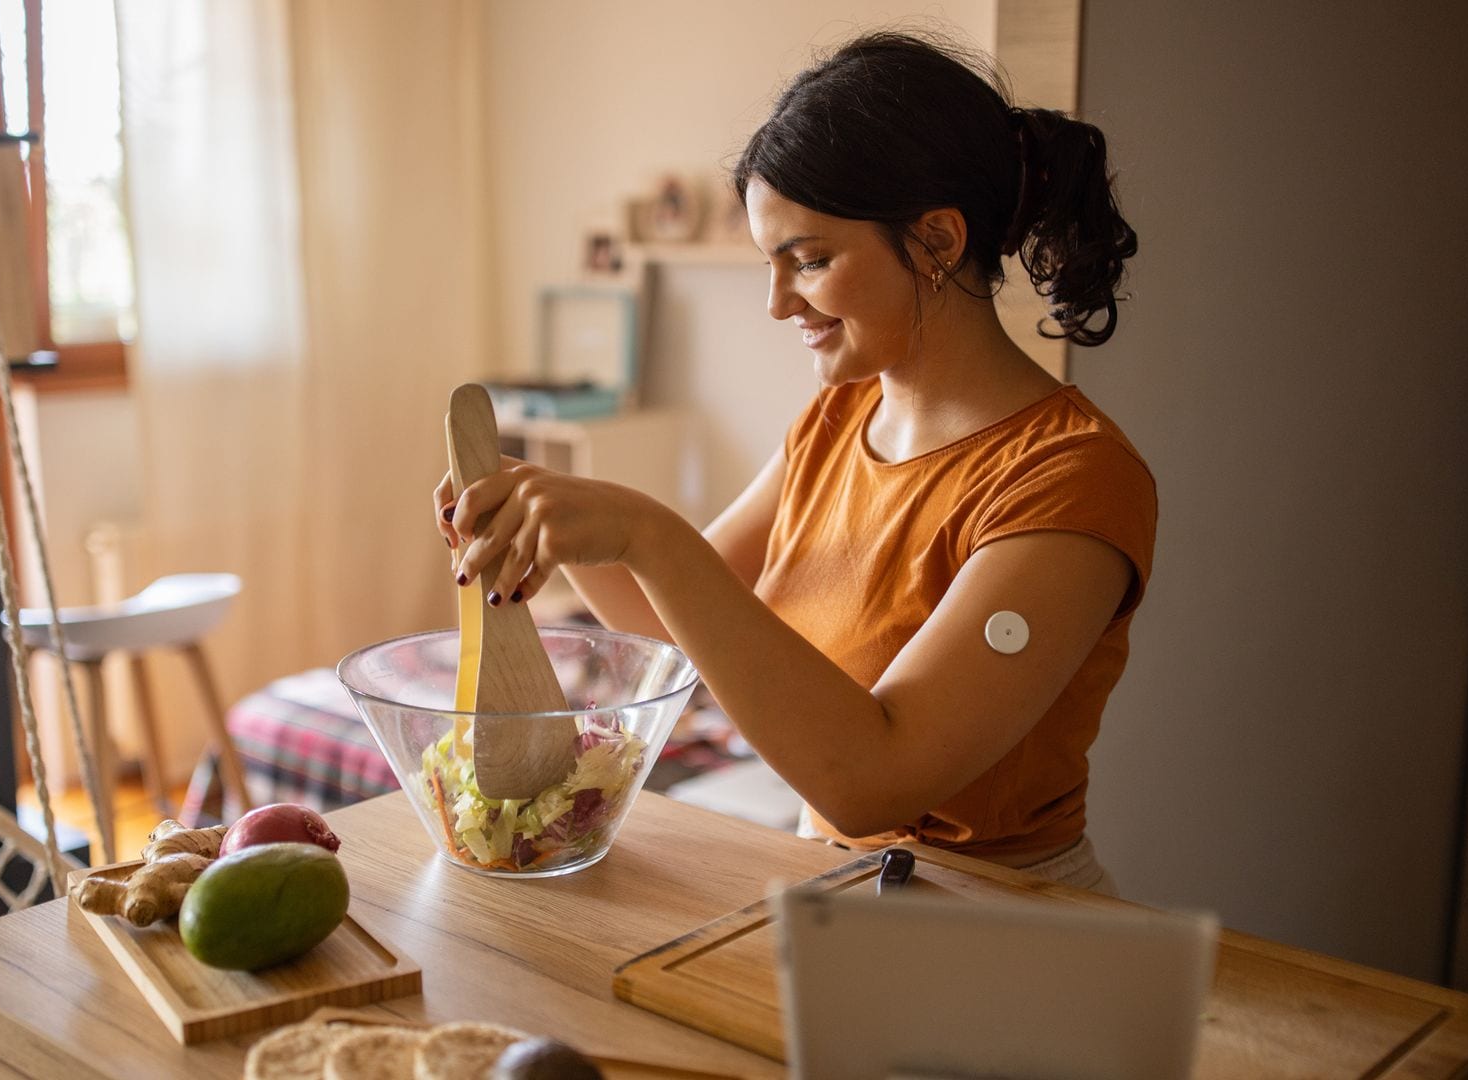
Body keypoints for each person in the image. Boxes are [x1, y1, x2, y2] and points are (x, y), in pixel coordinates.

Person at [434, 31, 1147, 894]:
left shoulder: (1072, 478)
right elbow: (675, 634)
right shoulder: (839, 420)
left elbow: (873, 779)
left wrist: (648, 531)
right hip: (834, 893)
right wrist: (562, 524)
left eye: (808, 261)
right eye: (770, 265)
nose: (778, 305)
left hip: (1004, 921)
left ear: (938, 240)